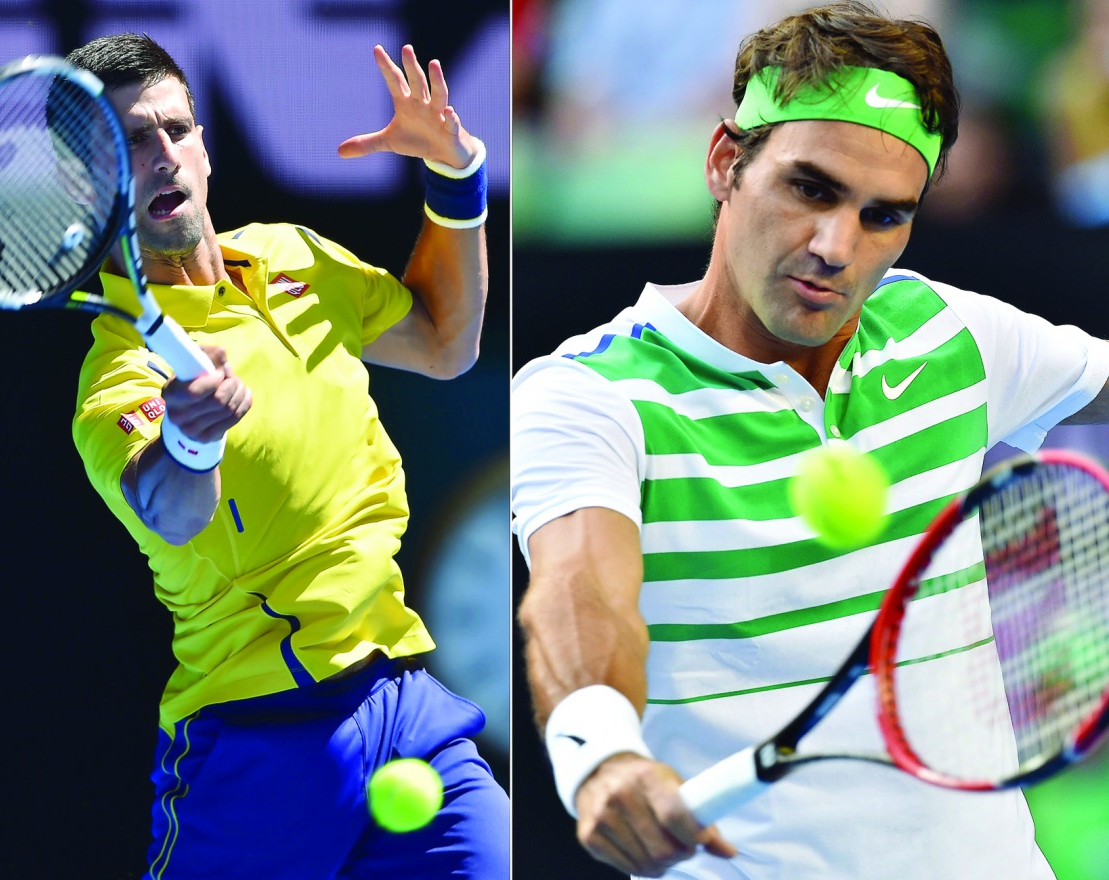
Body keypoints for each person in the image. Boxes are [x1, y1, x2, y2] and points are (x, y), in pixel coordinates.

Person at [510, 2, 1109, 879]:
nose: (837, 247)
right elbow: (578, 589)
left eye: (884, 216)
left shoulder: (953, 336)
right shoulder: (588, 395)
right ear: (726, 162)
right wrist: (599, 749)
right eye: (810, 188)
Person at [65, 33, 509, 879]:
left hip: (405, 705)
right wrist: (192, 438)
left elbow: (447, 341)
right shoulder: (118, 373)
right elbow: (171, 507)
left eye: (176, 129)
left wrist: (456, 177)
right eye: (130, 141)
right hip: (257, 739)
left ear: (203, 145)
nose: (164, 157)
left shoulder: (291, 255)